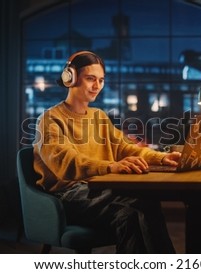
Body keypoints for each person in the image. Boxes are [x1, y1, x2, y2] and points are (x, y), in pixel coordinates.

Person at [33, 50, 182, 253]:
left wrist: (162, 158)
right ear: (70, 77)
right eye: (90, 79)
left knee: (136, 209)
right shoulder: (50, 119)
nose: (97, 86)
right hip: (67, 196)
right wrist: (110, 166)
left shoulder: (99, 117)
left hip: (98, 190)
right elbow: (65, 161)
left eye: (101, 80)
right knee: (135, 207)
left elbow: (124, 148)